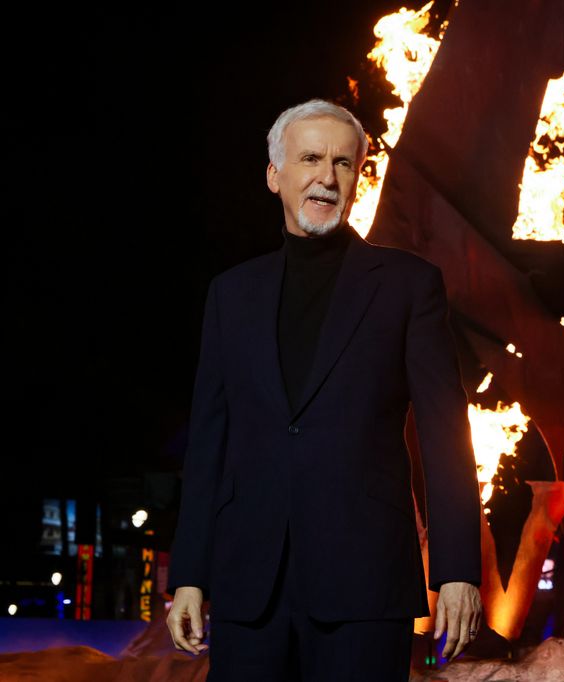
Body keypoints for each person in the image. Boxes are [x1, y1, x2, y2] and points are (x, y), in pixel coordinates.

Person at [164, 99, 483, 681]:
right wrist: (190, 575)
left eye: (342, 163)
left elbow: (446, 434)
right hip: (248, 586)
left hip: (365, 583)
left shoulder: (410, 285)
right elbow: (209, 445)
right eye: (310, 158)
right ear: (274, 174)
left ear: (358, 176)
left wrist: (457, 569)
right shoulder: (231, 294)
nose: (326, 177)